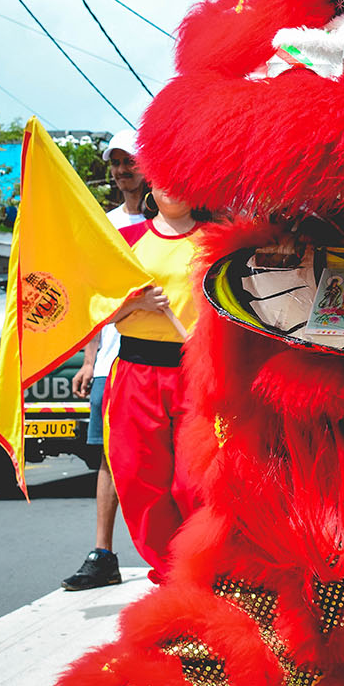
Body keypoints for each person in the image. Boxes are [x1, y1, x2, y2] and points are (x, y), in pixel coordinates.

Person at [102, 192, 209, 585]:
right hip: (136, 372)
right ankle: (172, 575)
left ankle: (204, 567)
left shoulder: (216, 240)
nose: (173, 188)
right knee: (137, 477)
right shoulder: (126, 241)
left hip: (196, 371)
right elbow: (98, 307)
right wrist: (138, 304)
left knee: (194, 479)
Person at [63, 130, 151, 592]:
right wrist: (89, 356)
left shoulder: (173, 218)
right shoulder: (106, 225)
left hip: (163, 358)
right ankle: (103, 553)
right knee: (109, 456)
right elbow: (92, 297)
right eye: (115, 164)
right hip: (113, 361)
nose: (121, 171)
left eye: (129, 162)